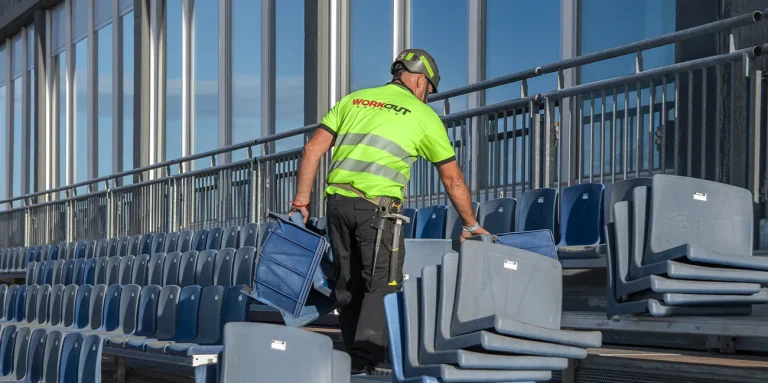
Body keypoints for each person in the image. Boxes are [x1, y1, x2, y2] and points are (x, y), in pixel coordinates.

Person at [290, 48, 488, 374]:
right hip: (379, 210)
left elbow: (312, 149)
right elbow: (452, 178)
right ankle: (364, 363)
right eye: (429, 90)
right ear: (421, 80)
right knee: (383, 284)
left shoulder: (354, 100)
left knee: (348, 285)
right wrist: (470, 223)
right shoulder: (423, 116)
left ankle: (354, 363)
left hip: (337, 204)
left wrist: (301, 204)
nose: (427, 97)